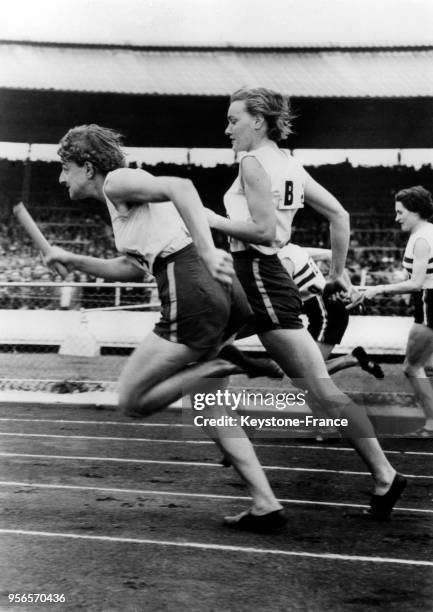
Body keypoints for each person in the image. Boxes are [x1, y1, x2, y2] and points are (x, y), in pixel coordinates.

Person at [44, 124, 286, 532]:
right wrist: (74, 259)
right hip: (219, 293)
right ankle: (266, 503)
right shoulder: (125, 204)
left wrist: (209, 252)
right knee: (211, 410)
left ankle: (216, 365)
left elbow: (184, 186)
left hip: (193, 286)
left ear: (87, 167)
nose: (60, 177)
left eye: (65, 168)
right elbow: (130, 267)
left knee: (133, 401)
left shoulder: (118, 181)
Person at [206, 87, 406, 522]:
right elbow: (340, 216)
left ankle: (246, 463)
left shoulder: (253, 162)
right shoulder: (288, 163)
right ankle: (238, 450)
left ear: (258, 121)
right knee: (208, 362)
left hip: (257, 273)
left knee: (317, 389)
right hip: (258, 277)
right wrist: (335, 274)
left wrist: (211, 218)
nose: (227, 129)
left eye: (233, 120)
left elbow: (261, 231)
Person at [356, 186, 433, 437]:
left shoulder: (422, 239)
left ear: (415, 212)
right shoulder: (427, 233)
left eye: (400, 212)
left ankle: (432, 424)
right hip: (426, 300)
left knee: (412, 367)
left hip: (428, 302)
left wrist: (378, 290)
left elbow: (416, 283)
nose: (396, 217)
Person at [278, 242, 383, 378]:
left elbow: (284, 296)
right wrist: (349, 288)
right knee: (300, 367)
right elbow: (331, 255)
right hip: (324, 311)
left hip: (326, 314)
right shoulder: (294, 249)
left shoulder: (282, 258)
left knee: (307, 372)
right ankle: (354, 358)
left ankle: (353, 359)